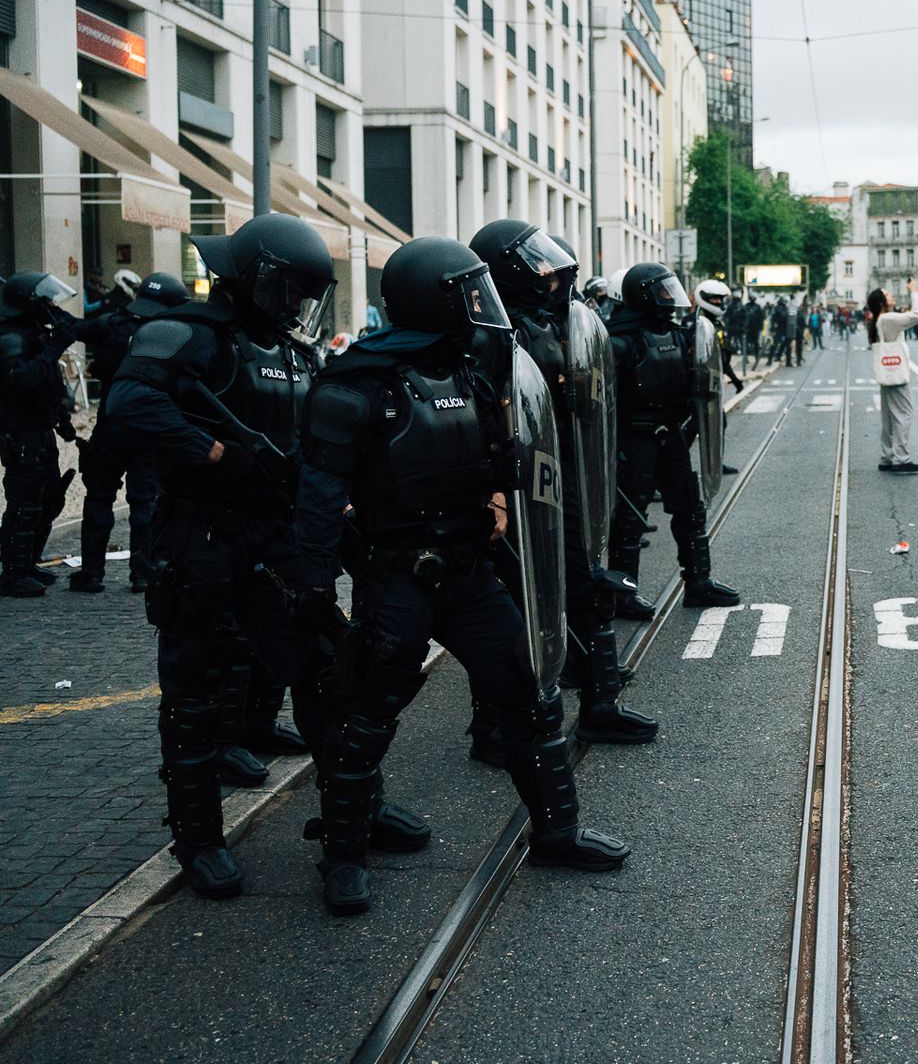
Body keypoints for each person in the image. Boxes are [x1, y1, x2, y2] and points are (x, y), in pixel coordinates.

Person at [292, 238, 627, 914]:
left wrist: (501, 498)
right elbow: (320, 500)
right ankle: (344, 856)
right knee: (366, 717)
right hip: (399, 577)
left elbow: (504, 453)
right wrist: (315, 590)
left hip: (471, 571)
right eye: (470, 291)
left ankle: (558, 830)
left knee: (530, 697)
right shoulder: (353, 384)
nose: (484, 303)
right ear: (436, 298)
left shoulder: (470, 371)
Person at [106, 214, 373, 898]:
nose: (297, 306)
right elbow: (129, 404)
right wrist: (211, 451)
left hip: (274, 534)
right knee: (194, 696)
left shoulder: (289, 349)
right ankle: (198, 841)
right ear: (255, 277)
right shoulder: (190, 335)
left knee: (323, 669)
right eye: (290, 290)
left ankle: (355, 813)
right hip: (201, 537)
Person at [469, 220, 658, 753]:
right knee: (511, 602)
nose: (552, 274)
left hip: (561, 474)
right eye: (537, 262)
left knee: (583, 584)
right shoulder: (491, 335)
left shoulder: (554, 322)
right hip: (517, 484)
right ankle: (494, 726)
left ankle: (599, 703)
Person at [606, 263, 741, 609]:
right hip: (635, 439)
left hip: (671, 436)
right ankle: (623, 593)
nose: (669, 298)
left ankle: (698, 582)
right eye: (662, 291)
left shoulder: (679, 335)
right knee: (631, 518)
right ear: (643, 294)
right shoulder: (619, 342)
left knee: (690, 509)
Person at [72, 273, 191, 593]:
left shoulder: (113, 325)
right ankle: (141, 573)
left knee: (98, 497)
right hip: (150, 428)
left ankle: (92, 573)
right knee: (145, 502)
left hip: (112, 423)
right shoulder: (174, 336)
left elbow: (81, 334)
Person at [0, 271, 80, 596]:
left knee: (49, 498)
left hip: (41, 430)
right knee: (24, 503)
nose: (49, 305)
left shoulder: (34, 333)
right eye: (44, 300)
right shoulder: (11, 338)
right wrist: (54, 348)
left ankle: (29, 562)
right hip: (21, 433)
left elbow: (49, 383)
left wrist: (62, 419)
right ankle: (13, 573)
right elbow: (22, 379)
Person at [868, 279, 918, 475]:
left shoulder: (880, 319)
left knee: (889, 417)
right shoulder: (888, 319)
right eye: (887, 294)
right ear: (882, 301)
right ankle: (902, 458)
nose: (891, 295)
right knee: (905, 414)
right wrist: (914, 291)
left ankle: (887, 456)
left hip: (887, 372)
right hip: (896, 373)